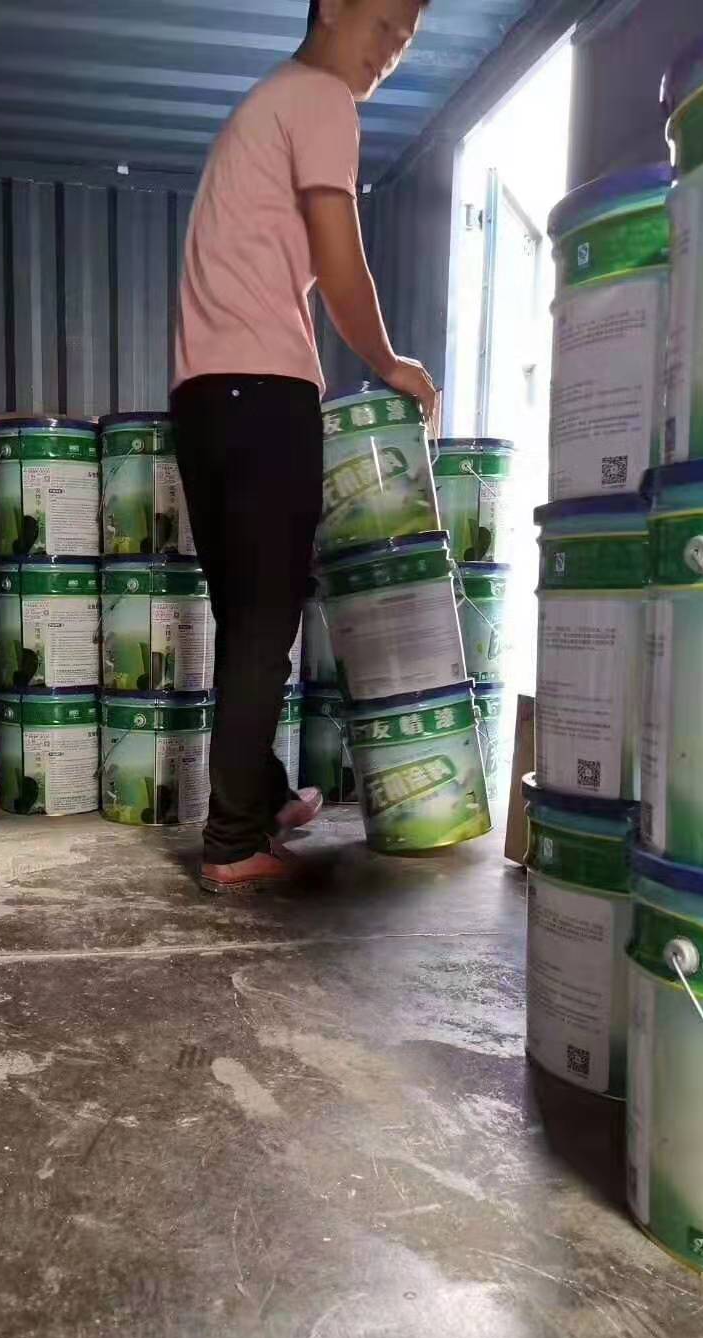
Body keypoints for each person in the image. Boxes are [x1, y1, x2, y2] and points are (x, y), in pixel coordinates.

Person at [172, 0, 436, 895]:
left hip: (204, 398)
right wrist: (390, 363)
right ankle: (231, 843)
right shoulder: (321, 97)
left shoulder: (268, 103)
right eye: (384, 23)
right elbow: (340, 255)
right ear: (330, 7)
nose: (392, 49)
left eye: (406, 39)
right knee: (265, 623)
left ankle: (268, 797)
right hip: (263, 391)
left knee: (246, 615)